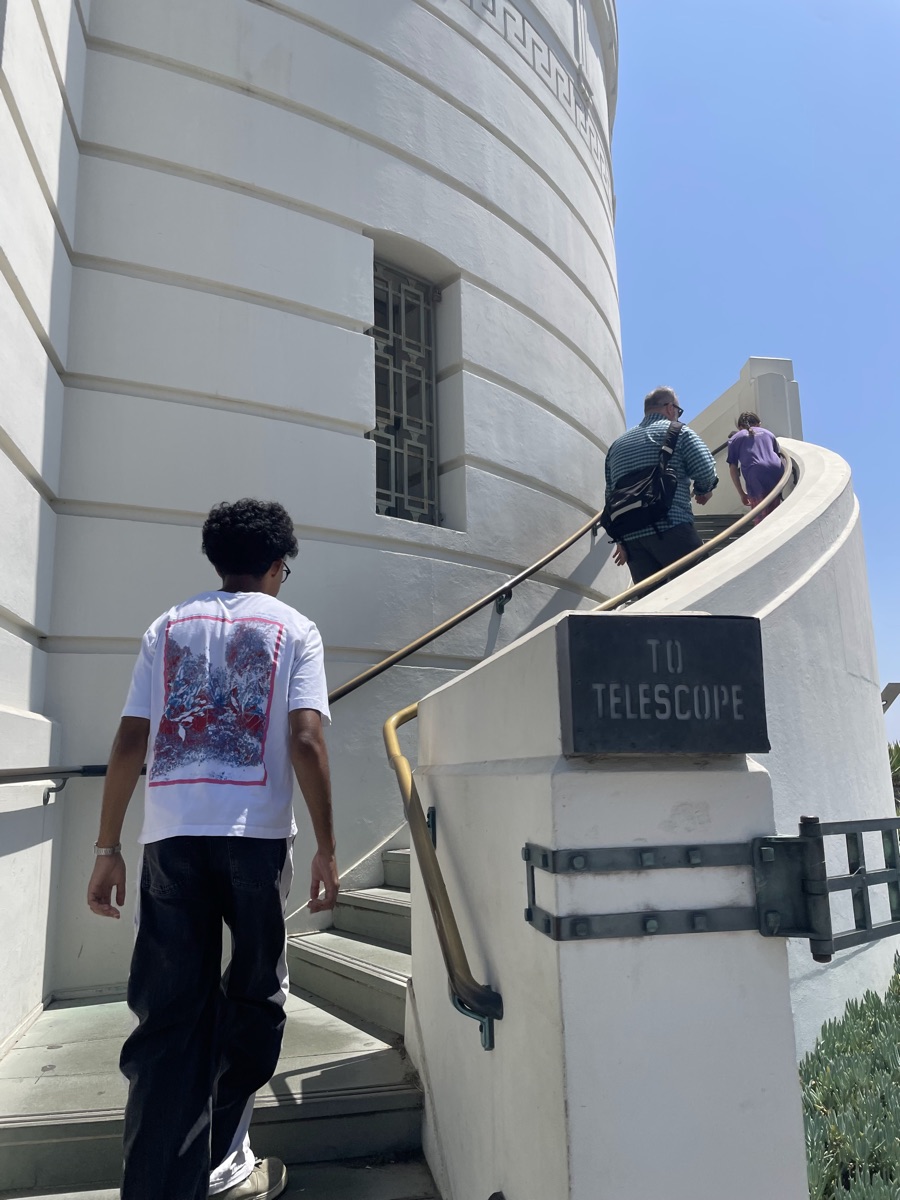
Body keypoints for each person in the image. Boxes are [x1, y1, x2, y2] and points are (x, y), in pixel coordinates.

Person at [86, 498, 338, 1200]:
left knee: (167, 1017)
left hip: (168, 839)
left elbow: (131, 741)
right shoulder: (296, 628)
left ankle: (155, 1186)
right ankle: (224, 1163)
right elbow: (309, 739)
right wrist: (326, 846)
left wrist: (107, 846)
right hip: (254, 842)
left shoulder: (167, 625)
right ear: (277, 564)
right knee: (256, 997)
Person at [605, 386, 718, 586]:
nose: (677, 415)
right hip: (672, 526)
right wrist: (703, 490)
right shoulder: (678, 431)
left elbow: (610, 494)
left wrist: (620, 540)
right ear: (669, 408)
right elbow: (705, 469)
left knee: (653, 608)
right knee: (699, 589)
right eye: (678, 411)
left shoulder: (616, 446)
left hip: (632, 538)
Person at [726, 411, 784, 524]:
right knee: (773, 504)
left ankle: (763, 534)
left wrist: (742, 493)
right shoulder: (769, 434)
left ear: (740, 427)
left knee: (759, 511)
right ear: (759, 423)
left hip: (755, 470)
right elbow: (778, 453)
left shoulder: (736, 438)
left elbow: (733, 468)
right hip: (776, 469)